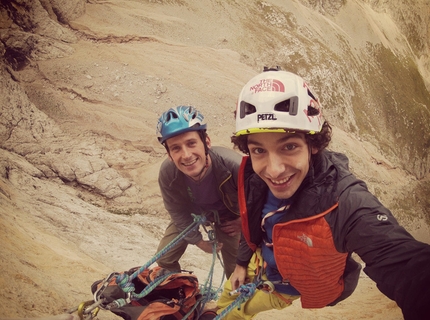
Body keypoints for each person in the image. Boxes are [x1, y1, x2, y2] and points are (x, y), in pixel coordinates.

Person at [214, 68, 430, 319]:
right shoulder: (254, 174)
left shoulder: (345, 199)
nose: (273, 170)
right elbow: (253, 222)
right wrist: (241, 263)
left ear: (313, 144)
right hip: (259, 261)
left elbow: (404, 263)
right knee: (226, 298)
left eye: (290, 146)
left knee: (234, 313)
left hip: (284, 286)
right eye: (259, 150)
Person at [155, 105, 242, 279]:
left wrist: (242, 222)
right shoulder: (168, 173)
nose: (186, 155)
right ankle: (176, 290)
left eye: (191, 143)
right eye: (176, 148)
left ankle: (234, 302)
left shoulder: (234, 166)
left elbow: (263, 201)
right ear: (169, 154)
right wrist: (198, 241)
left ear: (207, 142)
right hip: (195, 213)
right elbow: (177, 211)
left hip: (229, 218)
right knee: (165, 258)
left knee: (236, 270)